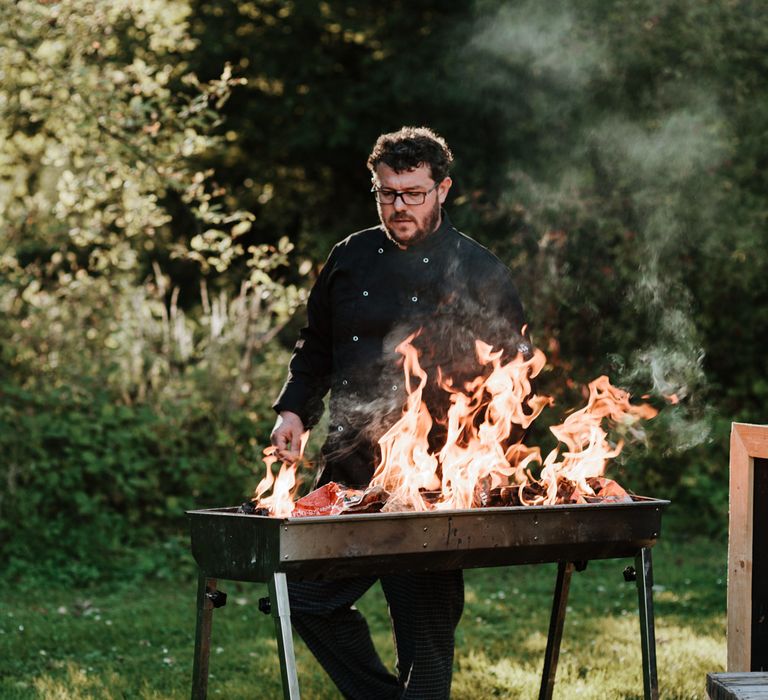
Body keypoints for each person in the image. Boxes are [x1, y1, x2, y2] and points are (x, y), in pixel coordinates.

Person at [270, 126, 527, 699]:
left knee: (426, 641)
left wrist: (487, 462)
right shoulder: (350, 258)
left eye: (412, 192)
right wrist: (294, 413)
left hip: (432, 483)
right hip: (350, 473)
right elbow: (315, 348)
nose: (398, 206)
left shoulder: (480, 271)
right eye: (386, 192)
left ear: (443, 190)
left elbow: (515, 375)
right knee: (306, 601)